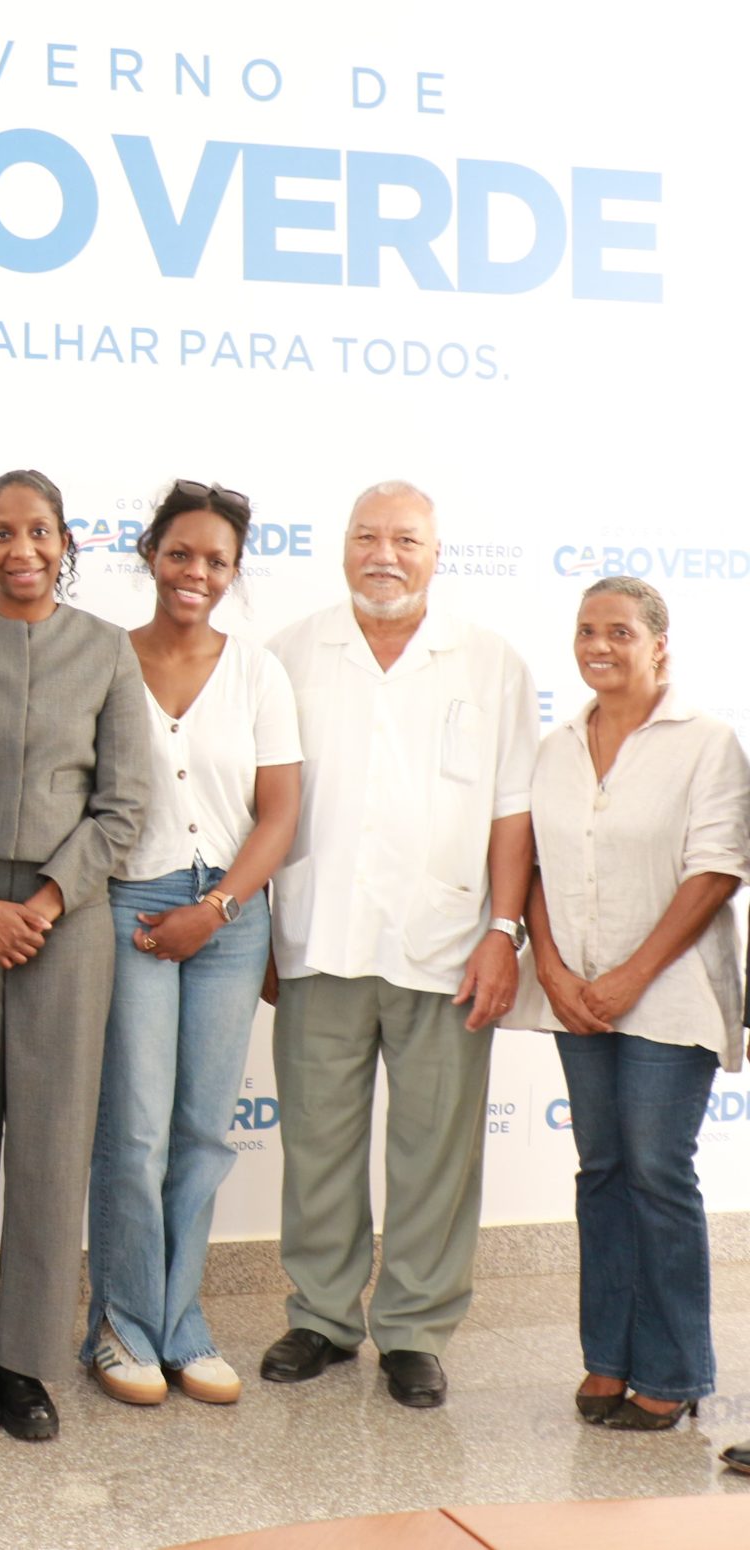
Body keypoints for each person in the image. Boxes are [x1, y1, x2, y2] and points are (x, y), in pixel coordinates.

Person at [259, 480, 537, 1410]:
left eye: (405, 540)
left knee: (436, 1152)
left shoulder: (491, 663)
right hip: (318, 935)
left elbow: (512, 812)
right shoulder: (290, 653)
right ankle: (322, 1317)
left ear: (435, 553)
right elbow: (262, 802)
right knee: (317, 1144)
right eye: (366, 536)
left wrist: (503, 931)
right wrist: (258, 926)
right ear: (342, 546)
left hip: (448, 945)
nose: (384, 554)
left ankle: (415, 1330)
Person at [0, 469, 150, 1443]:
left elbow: (123, 805)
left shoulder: (107, 649)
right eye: (2, 532)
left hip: (66, 919)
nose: (22, 549)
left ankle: (25, 1361)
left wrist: (43, 902)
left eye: (38, 531)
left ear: (65, 541)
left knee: (52, 1142)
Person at [84, 482, 301, 1408]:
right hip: (131, 910)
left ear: (234, 571)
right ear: (151, 555)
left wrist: (215, 910)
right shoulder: (103, 658)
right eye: (181, 553)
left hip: (229, 919)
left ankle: (181, 1325)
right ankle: (122, 1326)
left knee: (202, 1132)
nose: (196, 573)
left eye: (217, 560)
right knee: (134, 1132)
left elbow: (279, 814)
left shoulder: (258, 673)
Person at [519, 577, 742, 1432]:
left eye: (619, 631)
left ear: (659, 645)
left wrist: (633, 975)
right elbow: (533, 863)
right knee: (603, 1169)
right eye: (586, 630)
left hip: (670, 994)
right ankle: (608, 1357)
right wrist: (549, 966)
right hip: (576, 994)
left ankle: (675, 1370)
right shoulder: (556, 747)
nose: (599, 646)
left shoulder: (706, 742)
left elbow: (716, 870)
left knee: (656, 1171)